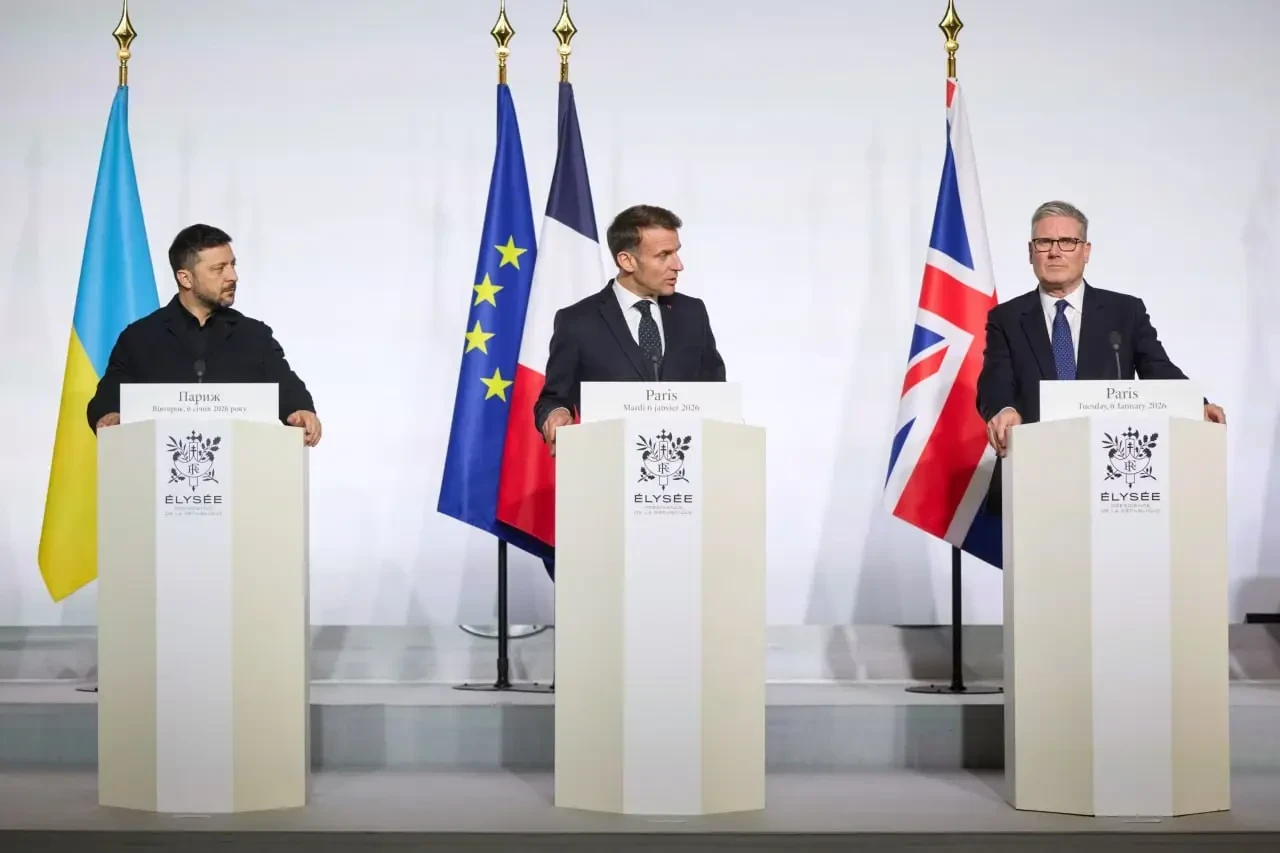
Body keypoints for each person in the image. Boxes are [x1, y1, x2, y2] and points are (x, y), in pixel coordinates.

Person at [978, 199, 1224, 464]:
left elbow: (1158, 369)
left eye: (1067, 242)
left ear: (1086, 251)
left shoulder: (1125, 312)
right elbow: (995, 379)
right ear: (1030, 252)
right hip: (1032, 463)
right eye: (1044, 242)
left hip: (1108, 462)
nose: (1055, 252)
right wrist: (1003, 409)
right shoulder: (1007, 318)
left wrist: (1196, 405)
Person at [86, 223, 322, 446]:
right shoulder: (140, 337)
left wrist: (300, 409)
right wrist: (109, 414)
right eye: (219, 269)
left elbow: (285, 385)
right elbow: (110, 394)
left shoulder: (254, 336)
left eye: (232, 265)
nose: (233, 276)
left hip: (241, 467)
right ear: (185, 278)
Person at [533, 204, 726, 455]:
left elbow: (716, 393)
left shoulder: (692, 313)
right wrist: (556, 414)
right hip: (607, 467)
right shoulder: (577, 321)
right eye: (663, 255)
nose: (678, 265)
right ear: (627, 260)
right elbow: (554, 398)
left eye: (676, 252)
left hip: (685, 467)